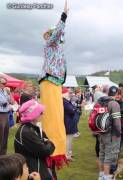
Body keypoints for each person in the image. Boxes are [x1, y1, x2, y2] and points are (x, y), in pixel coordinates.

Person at [39, 0, 69, 168]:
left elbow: (58, 33)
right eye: (56, 34)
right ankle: (51, 149)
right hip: (49, 81)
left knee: (57, 115)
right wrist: (64, 16)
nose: (60, 37)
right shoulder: (50, 44)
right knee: (52, 116)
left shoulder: (56, 48)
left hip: (54, 82)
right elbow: (58, 32)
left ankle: (57, 148)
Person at [14, 99, 55, 180]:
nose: (42, 114)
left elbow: (44, 144)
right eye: (40, 112)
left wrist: (47, 143)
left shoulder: (33, 128)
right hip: (33, 170)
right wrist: (51, 143)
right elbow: (44, 151)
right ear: (33, 115)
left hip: (37, 165)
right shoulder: (27, 132)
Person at [98, 86, 122, 180]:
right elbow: (117, 121)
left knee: (102, 154)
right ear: (116, 94)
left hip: (101, 132)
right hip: (111, 134)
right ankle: (106, 177)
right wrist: (119, 132)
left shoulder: (100, 101)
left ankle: (101, 176)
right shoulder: (114, 104)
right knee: (108, 157)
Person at [62, 88, 77, 161]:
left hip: (69, 122)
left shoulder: (66, 101)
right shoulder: (64, 101)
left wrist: (74, 109)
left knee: (70, 139)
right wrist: (74, 109)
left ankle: (69, 153)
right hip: (68, 123)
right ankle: (67, 155)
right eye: (68, 93)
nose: (70, 94)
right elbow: (72, 110)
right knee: (68, 139)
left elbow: (73, 109)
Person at [0, 77, 14, 155]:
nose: (5, 85)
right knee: (1, 135)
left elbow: (12, 102)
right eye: (3, 83)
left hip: (6, 114)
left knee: (5, 134)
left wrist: (10, 93)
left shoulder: (5, 91)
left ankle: (3, 154)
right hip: (0, 115)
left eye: (6, 84)